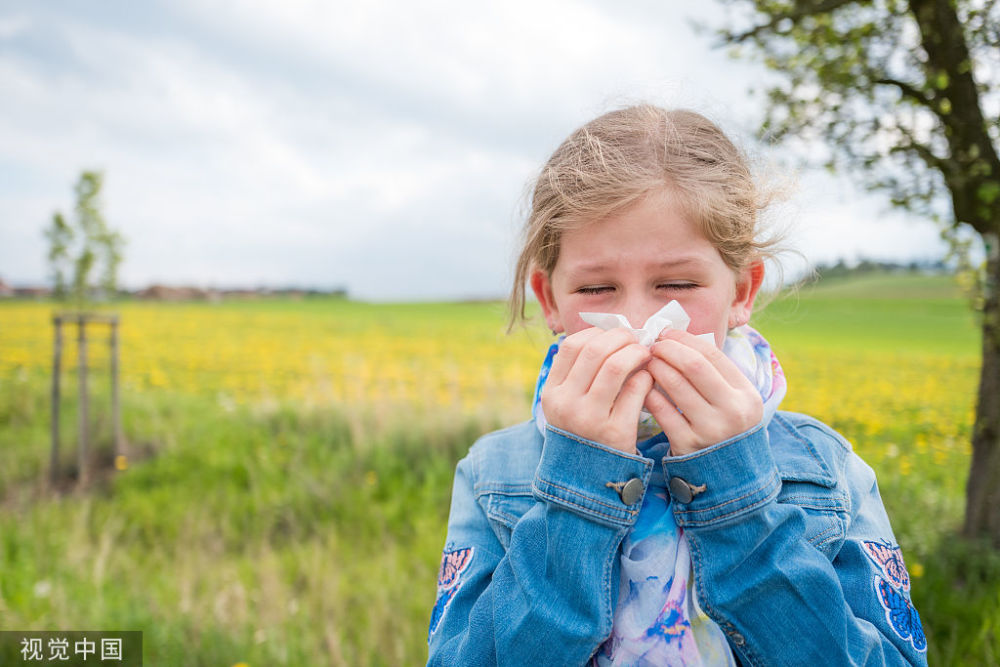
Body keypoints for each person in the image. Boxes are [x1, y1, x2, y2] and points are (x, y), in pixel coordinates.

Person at [426, 105, 927, 666]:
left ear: (741, 290)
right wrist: (578, 485)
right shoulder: (496, 474)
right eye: (596, 289)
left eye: (678, 283)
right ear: (550, 302)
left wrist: (736, 495)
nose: (639, 323)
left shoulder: (827, 471)